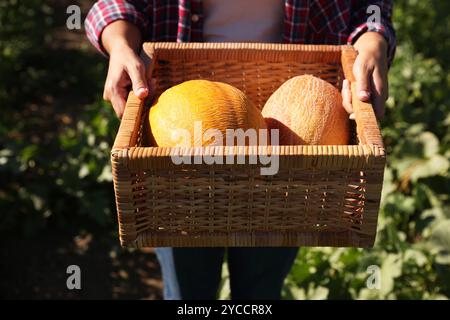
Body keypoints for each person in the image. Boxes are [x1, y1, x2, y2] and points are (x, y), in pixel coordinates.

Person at [85, 0, 396, 300]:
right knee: (187, 294)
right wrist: (121, 44)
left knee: (260, 293)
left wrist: (371, 44)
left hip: (282, 158)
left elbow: (368, 6)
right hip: (179, 165)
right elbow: (121, 4)